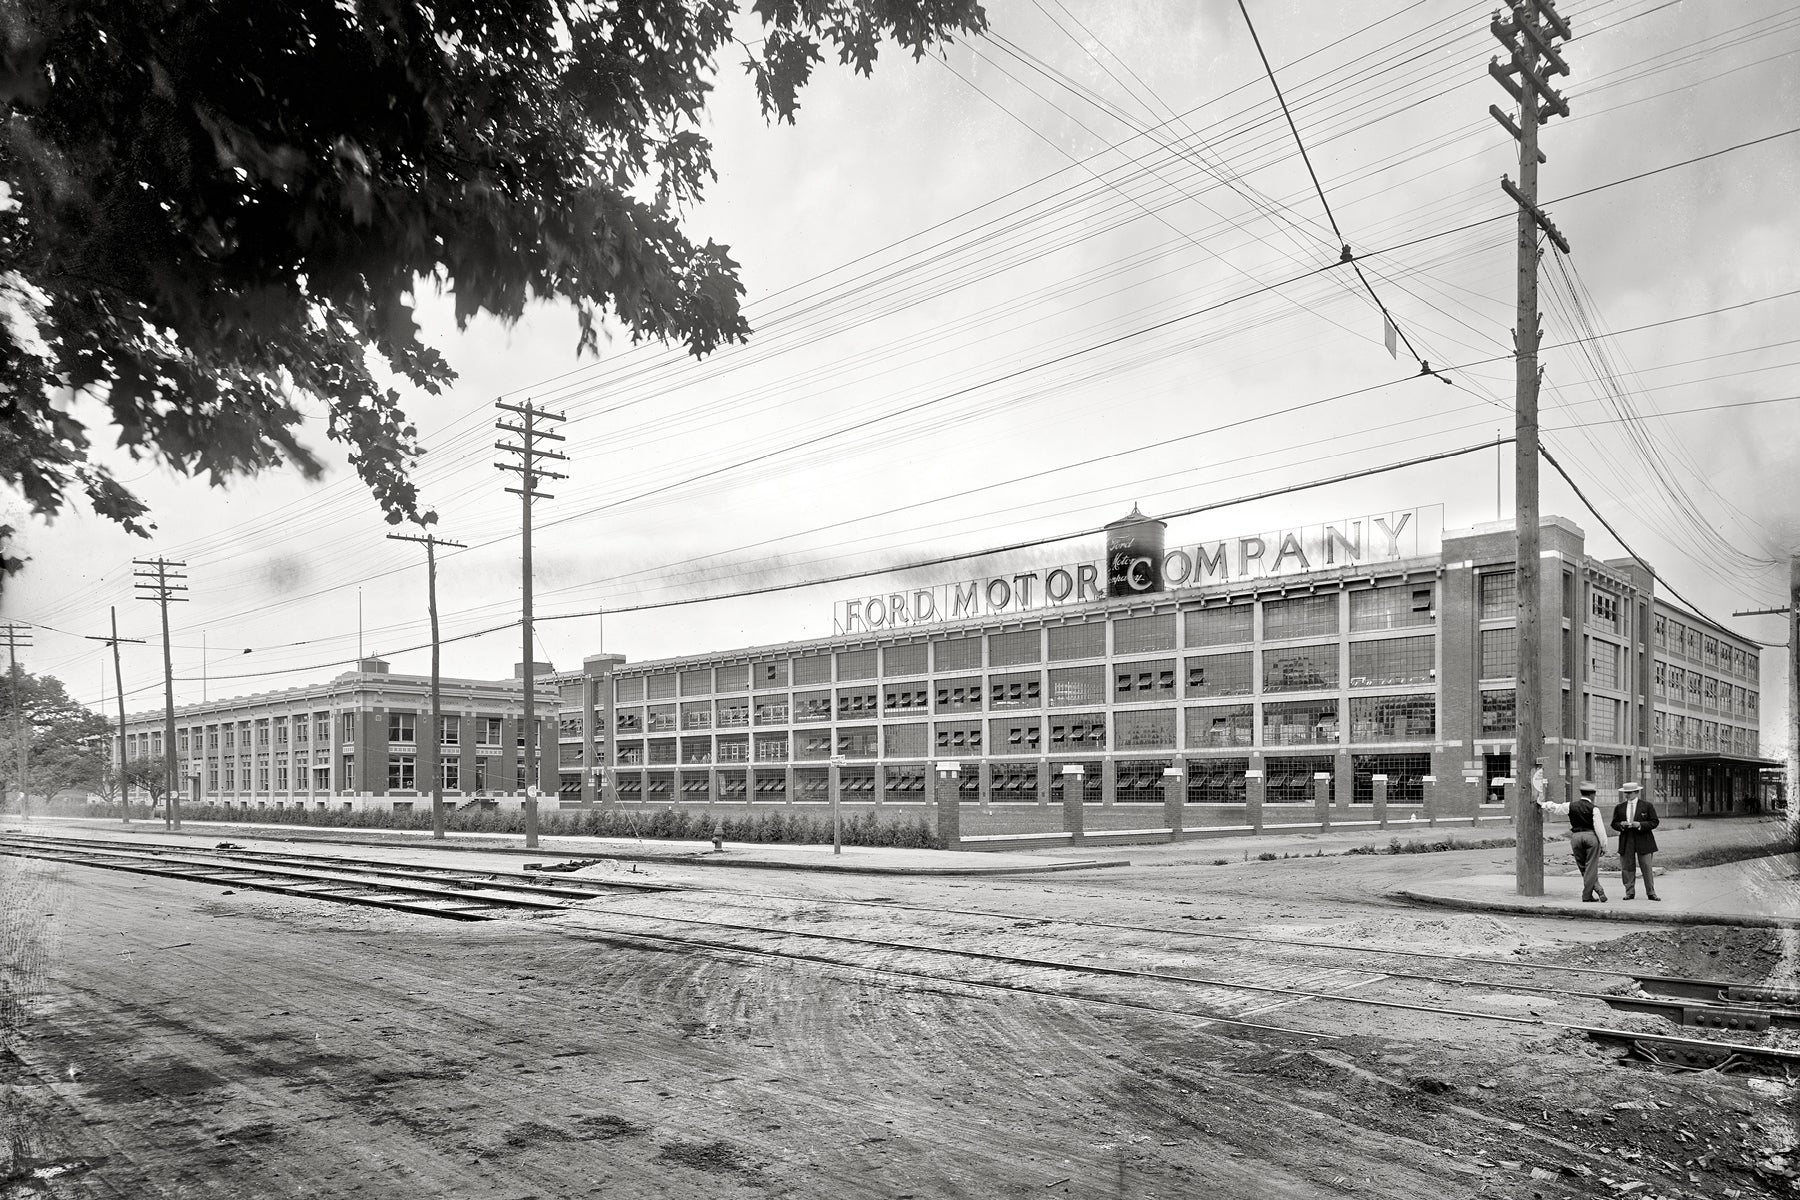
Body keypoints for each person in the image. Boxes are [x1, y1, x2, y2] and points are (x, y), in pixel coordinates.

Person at [1536, 780, 1607, 902]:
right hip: (1591, 837)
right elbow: (1600, 829)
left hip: (1576, 837)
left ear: (1582, 793)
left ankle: (1598, 890)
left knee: (1582, 867)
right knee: (1591, 867)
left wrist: (1542, 804)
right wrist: (1604, 846)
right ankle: (1587, 895)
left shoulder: (1571, 806)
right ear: (1592, 794)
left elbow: (1556, 808)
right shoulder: (1594, 809)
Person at [1611, 781, 1661, 901]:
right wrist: (1621, 825)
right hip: (1626, 839)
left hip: (1644, 839)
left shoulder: (1647, 806)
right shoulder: (1620, 807)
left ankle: (1651, 892)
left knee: (1646, 866)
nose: (1627, 795)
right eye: (1625, 793)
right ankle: (1629, 892)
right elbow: (1614, 823)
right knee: (1627, 866)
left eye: (1629, 793)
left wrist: (1640, 825)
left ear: (1636, 792)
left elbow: (1654, 822)